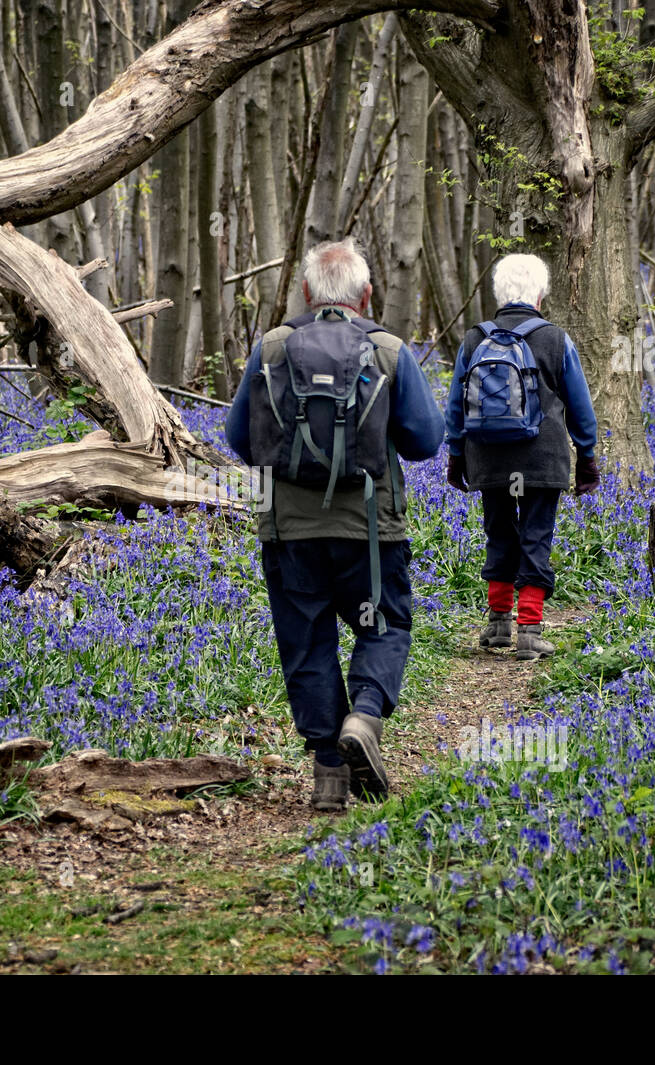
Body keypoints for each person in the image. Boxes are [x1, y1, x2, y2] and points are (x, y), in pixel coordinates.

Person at [225, 238, 444, 812]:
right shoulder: (390, 351)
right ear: (366, 296)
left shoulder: (271, 347)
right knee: (384, 625)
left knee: (307, 641)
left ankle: (327, 773)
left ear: (305, 292)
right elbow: (425, 441)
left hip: (290, 534)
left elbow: (237, 440)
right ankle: (365, 717)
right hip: (371, 533)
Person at [443, 253, 599, 661]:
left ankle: (497, 624)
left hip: (488, 458)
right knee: (536, 535)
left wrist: (456, 455)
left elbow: (455, 405)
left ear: (499, 293)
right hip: (542, 458)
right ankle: (529, 629)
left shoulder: (475, 339)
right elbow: (580, 405)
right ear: (540, 295)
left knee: (498, 532)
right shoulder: (555, 338)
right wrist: (587, 456)